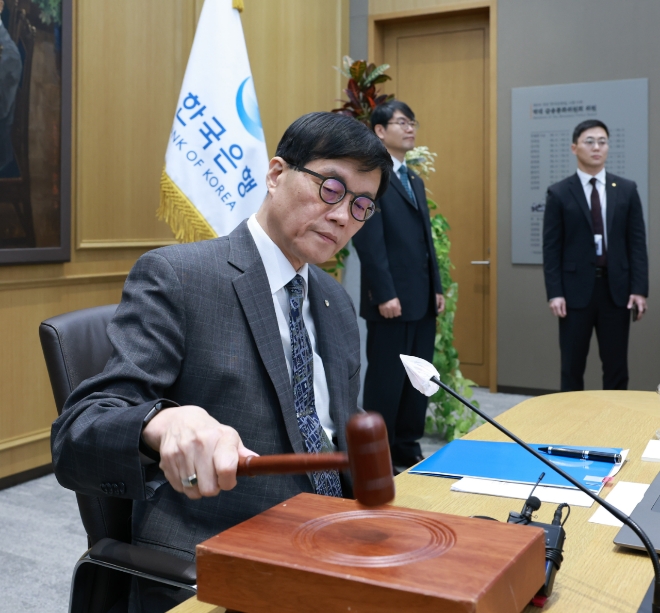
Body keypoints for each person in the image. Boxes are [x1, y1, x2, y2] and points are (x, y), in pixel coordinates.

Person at [51, 111, 392, 611]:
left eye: (363, 205)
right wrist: (162, 421)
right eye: (331, 189)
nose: (344, 216)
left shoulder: (334, 302)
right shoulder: (179, 276)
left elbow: (334, 436)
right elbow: (77, 434)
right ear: (276, 174)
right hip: (225, 551)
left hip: (336, 537)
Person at [352, 100, 444, 469]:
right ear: (379, 131)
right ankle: (380, 451)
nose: (410, 129)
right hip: (390, 301)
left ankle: (407, 445)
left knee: (421, 377)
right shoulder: (372, 177)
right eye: (401, 122)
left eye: (412, 122)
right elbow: (369, 241)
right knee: (387, 380)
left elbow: (426, 241)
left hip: (421, 299)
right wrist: (384, 292)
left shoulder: (414, 180)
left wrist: (436, 287)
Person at [543, 119, 648, 391]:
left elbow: (636, 243)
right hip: (574, 293)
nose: (597, 147)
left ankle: (613, 427)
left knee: (616, 367)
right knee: (572, 366)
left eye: (603, 141)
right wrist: (555, 292)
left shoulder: (626, 189)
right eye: (590, 141)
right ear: (574, 147)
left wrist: (639, 289)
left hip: (616, 291)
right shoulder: (559, 192)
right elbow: (551, 247)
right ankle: (571, 428)